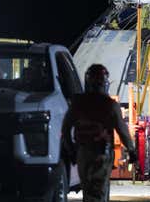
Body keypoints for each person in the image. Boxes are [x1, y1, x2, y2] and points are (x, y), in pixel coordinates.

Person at [62, 64, 137, 202]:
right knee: (99, 192)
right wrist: (131, 150)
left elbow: (66, 128)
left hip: (83, 153)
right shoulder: (109, 104)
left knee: (87, 190)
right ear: (104, 81)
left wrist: (71, 151)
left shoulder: (78, 103)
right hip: (102, 155)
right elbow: (122, 130)